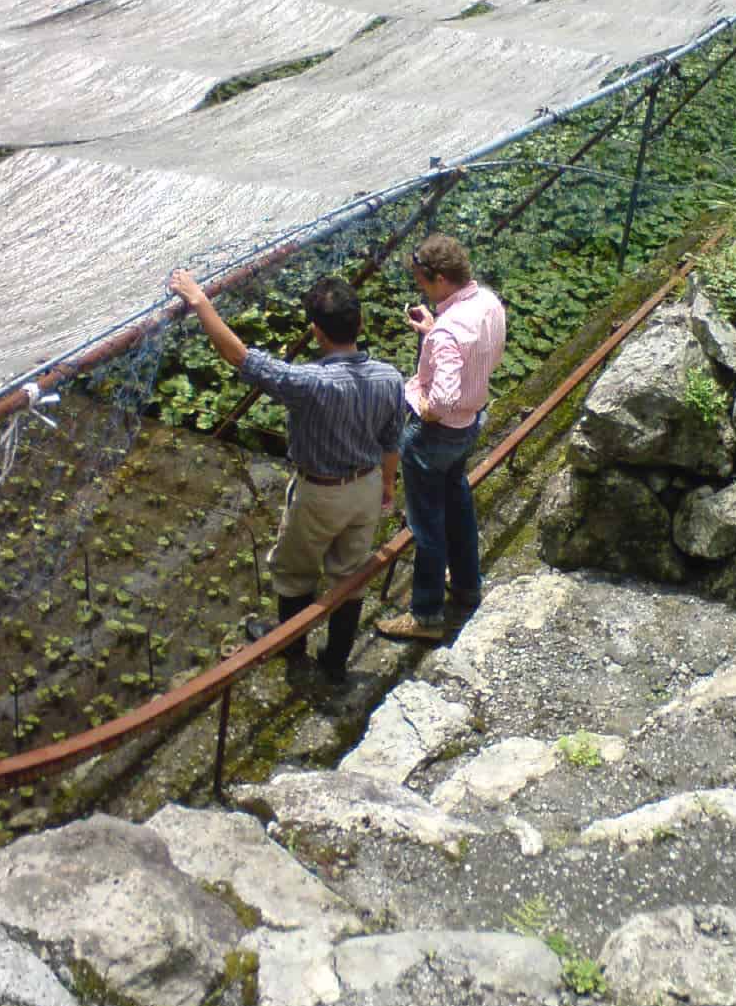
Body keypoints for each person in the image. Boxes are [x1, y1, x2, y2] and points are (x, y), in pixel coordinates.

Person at [169, 269, 405, 683]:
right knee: (350, 575)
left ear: (316, 332)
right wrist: (387, 485)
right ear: (361, 323)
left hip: (321, 493)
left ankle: (292, 648)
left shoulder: (309, 383)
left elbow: (241, 357)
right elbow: (391, 441)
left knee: (295, 572)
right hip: (367, 485)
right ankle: (335, 662)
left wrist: (200, 302)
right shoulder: (390, 377)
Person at [377, 234, 506, 642]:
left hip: (434, 436)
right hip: (469, 426)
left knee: (426, 523)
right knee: (457, 500)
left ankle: (426, 614)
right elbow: (474, 353)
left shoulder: (447, 333)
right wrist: (435, 329)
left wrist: (421, 404)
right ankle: (467, 584)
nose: (422, 289)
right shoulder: (487, 301)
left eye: (423, 281)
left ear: (439, 279)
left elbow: (444, 398)